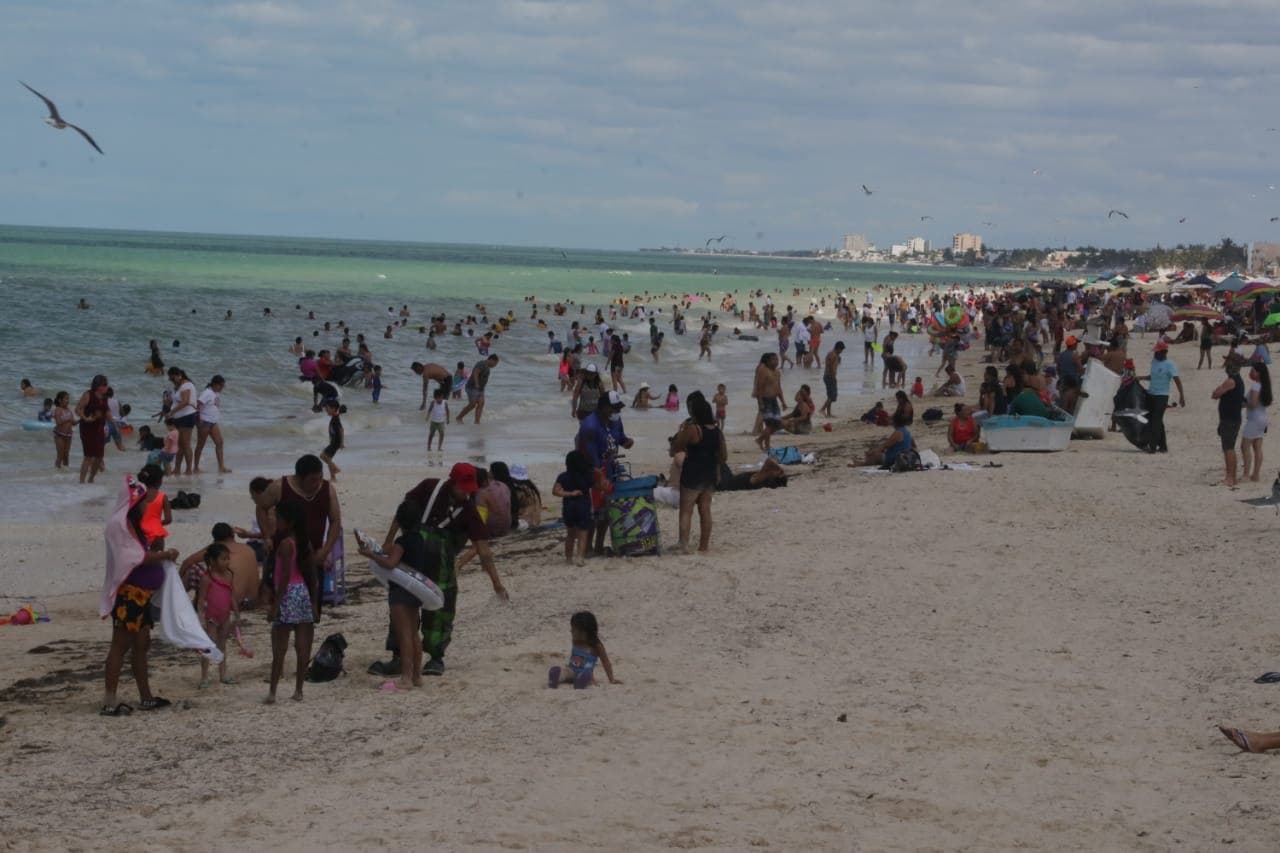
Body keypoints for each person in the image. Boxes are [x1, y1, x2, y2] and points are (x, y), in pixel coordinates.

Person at [367, 463, 506, 678]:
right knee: (402, 607)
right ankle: (398, 658)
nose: (466, 493)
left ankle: (435, 657)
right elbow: (402, 512)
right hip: (411, 558)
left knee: (441, 610)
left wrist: (496, 582)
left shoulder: (469, 510)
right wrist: (388, 540)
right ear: (452, 481)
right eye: (463, 487)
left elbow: (483, 550)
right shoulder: (428, 487)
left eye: (470, 489)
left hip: (442, 567)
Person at [100, 465, 180, 716]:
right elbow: (133, 558)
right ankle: (109, 702)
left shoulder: (132, 526)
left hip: (141, 595)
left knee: (141, 645)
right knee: (120, 646)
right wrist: (164, 554)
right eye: (144, 500)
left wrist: (158, 549)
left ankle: (146, 696)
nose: (147, 503)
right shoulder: (120, 526)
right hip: (130, 595)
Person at [358, 501, 428, 692]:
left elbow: (390, 564)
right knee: (414, 634)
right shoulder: (419, 539)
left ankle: (405, 678)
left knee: (404, 635)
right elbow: (393, 554)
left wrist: (371, 556)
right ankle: (417, 676)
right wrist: (377, 550)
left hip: (400, 593)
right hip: (415, 591)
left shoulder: (402, 542)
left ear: (400, 521)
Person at [266, 501, 315, 704]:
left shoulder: (286, 544)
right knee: (303, 647)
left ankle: (273, 692)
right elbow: (312, 574)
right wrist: (314, 603)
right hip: (302, 592)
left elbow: (284, 575)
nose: (275, 521)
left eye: (278, 518)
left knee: (279, 647)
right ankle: (299, 690)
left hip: (287, 593)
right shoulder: (304, 543)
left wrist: (275, 605)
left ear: (289, 522)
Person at [669, 391, 727, 552]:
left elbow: (677, 447)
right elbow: (724, 456)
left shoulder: (693, 429)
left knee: (686, 510)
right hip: (709, 475)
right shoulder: (717, 432)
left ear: (695, 413)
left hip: (693, 474)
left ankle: (683, 544)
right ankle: (703, 547)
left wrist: (681, 434)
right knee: (705, 511)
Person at [196, 543, 240, 688]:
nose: (227, 561)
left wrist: (236, 613)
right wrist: (200, 617)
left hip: (225, 616)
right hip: (211, 618)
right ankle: (204, 676)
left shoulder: (229, 575)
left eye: (228, 558)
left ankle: (223, 675)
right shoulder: (207, 578)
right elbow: (201, 599)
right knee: (208, 645)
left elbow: (231, 595)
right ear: (213, 561)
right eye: (223, 559)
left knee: (222, 645)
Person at [547, 611, 619, 689]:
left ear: (584, 632)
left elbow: (606, 662)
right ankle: (554, 679)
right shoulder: (575, 641)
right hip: (571, 670)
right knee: (563, 672)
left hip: (585, 673)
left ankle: (580, 683)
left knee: (587, 676)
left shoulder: (596, 646)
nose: (571, 631)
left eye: (574, 629)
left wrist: (611, 679)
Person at [1136, 341, 1185, 453]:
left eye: (1157, 352)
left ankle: (1152, 447)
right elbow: (1152, 377)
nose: (1155, 354)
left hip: (1162, 396)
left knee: (1155, 421)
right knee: (1155, 421)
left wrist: (1181, 396)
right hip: (1151, 394)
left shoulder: (1169, 364)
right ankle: (1163, 446)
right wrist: (1142, 378)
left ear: (1164, 352)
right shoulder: (1153, 362)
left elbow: (1177, 380)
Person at [1211, 353, 1247, 488]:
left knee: (1228, 448)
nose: (1225, 365)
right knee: (1229, 447)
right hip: (1232, 418)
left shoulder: (1231, 381)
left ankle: (1230, 478)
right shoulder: (1238, 380)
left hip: (1229, 419)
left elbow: (1215, 394)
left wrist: (1218, 390)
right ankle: (1231, 477)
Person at [553, 450, 595, 565]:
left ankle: (568, 558)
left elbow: (555, 491)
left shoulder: (563, 476)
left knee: (570, 535)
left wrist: (570, 494)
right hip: (583, 506)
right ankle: (580, 557)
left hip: (568, 507)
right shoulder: (587, 476)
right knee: (583, 533)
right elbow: (598, 487)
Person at [76, 374, 113, 484]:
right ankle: (81, 482)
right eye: (104, 384)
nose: (106, 387)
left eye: (106, 384)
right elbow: (78, 409)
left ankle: (91, 478)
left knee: (99, 456)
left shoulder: (105, 397)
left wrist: (115, 426)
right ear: (97, 385)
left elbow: (107, 412)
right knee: (88, 456)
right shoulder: (88, 395)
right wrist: (85, 418)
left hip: (99, 428)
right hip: (87, 428)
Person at [1242, 362, 1272, 482]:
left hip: (1254, 419)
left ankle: (1246, 475)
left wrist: (1242, 404)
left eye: (1253, 370)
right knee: (1257, 447)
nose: (1251, 373)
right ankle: (1256, 475)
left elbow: (1253, 404)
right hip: (1263, 418)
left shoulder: (1255, 386)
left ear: (1258, 373)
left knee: (1245, 446)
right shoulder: (1265, 385)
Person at [194, 375, 231, 474]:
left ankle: (221, 467)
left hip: (213, 422)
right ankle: (195, 468)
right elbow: (197, 405)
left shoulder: (215, 393)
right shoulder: (207, 393)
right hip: (204, 422)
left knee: (219, 442)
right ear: (215, 384)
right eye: (221, 386)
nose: (222, 388)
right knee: (200, 445)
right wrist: (199, 419)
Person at [166, 367, 199, 476]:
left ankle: (189, 469)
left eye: (172, 378)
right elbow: (178, 401)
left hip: (187, 416)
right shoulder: (179, 387)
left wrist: (171, 412)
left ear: (178, 375)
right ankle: (177, 469)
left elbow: (185, 402)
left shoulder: (186, 385)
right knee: (179, 445)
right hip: (179, 418)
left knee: (186, 444)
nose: (171, 380)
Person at [753, 352, 784, 452]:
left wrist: (783, 401)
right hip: (766, 400)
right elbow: (759, 388)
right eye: (773, 359)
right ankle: (766, 445)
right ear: (768, 361)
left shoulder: (778, 372)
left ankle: (760, 440)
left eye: (777, 359)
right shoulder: (764, 371)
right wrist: (760, 402)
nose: (776, 361)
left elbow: (779, 387)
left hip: (774, 400)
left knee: (777, 424)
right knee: (770, 424)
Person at [457, 354, 499, 423]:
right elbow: (475, 372)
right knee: (473, 404)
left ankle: (477, 422)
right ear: (491, 360)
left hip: (480, 389)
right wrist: (476, 384)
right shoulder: (481, 363)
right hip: (472, 387)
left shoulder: (487, 367)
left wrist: (481, 387)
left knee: (481, 403)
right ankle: (459, 417)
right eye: (495, 363)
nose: (495, 366)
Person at [320, 399, 346, 481]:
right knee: (326, 457)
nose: (326, 410)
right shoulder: (335, 417)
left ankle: (334, 472)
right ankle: (333, 474)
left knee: (325, 456)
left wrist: (341, 443)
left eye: (327, 408)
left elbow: (341, 430)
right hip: (334, 441)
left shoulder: (335, 419)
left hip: (336, 442)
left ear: (333, 408)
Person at [820, 341, 845, 417]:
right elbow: (830, 366)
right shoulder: (832, 354)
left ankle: (829, 413)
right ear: (838, 348)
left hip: (828, 376)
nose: (841, 352)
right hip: (830, 377)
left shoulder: (834, 355)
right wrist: (833, 377)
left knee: (830, 396)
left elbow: (833, 364)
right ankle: (822, 409)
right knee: (832, 396)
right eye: (841, 350)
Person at [52, 391, 75, 470]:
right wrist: (68, 419)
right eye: (66, 399)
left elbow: (73, 423)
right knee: (60, 455)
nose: (68, 401)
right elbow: (58, 422)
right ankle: (57, 471)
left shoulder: (69, 410)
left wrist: (83, 420)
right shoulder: (58, 409)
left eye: (68, 399)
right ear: (60, 400)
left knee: (66, 455)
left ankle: (66, 472)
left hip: (68, 435)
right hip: (59, 435)